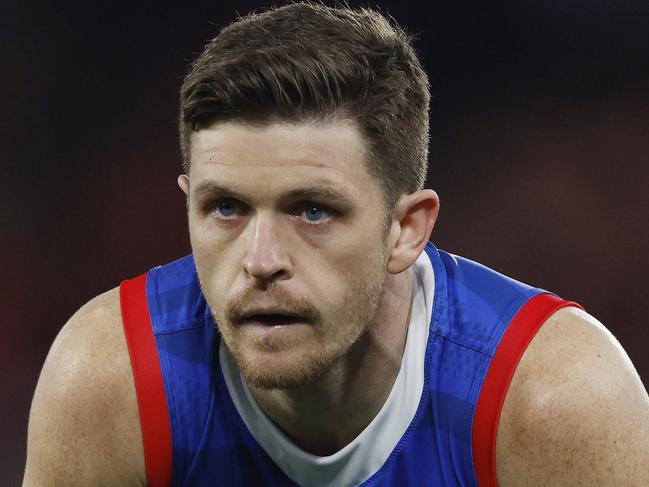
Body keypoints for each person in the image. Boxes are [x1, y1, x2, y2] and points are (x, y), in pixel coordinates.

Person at [23, 2, 649, 486]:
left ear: (407, 230)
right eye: (226, 208)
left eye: (313, 211)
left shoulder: (552, 396)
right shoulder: (113, 380)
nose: (261, 261)